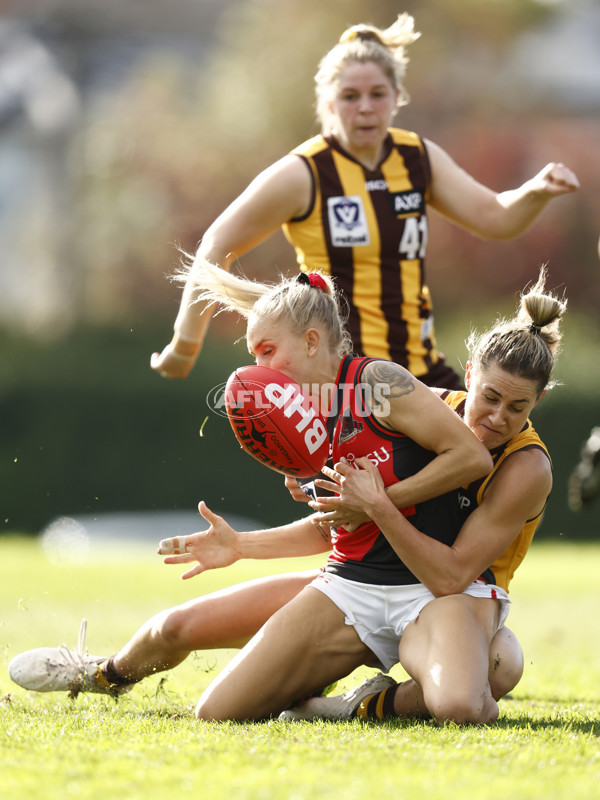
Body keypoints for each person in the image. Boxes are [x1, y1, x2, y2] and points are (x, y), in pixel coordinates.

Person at [10, 265, 564, 726]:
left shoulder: (394, 392)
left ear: (312, 342)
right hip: (355, 583)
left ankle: (353, 702)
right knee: (212, 703)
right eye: (488, 397)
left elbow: (445, 536)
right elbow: (337, 523)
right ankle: (99, 673)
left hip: (447, 593)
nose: (496, 417)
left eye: (267, 350)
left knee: (482, 682)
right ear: (470, 378)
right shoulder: (338, 410)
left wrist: (377, 500)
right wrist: (241, 546)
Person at [151, 13, 578, 389]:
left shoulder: (417, 158)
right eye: (351, 97)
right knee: (430, 469)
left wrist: (535, 191)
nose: (366, 108)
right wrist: (184, 345)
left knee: (506, 461)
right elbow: (214, 247)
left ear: (396, 98)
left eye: (377, 94)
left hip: (420, 372)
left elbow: (495, 218)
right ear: (329, 103)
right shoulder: (305, 173)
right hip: (341, 380)